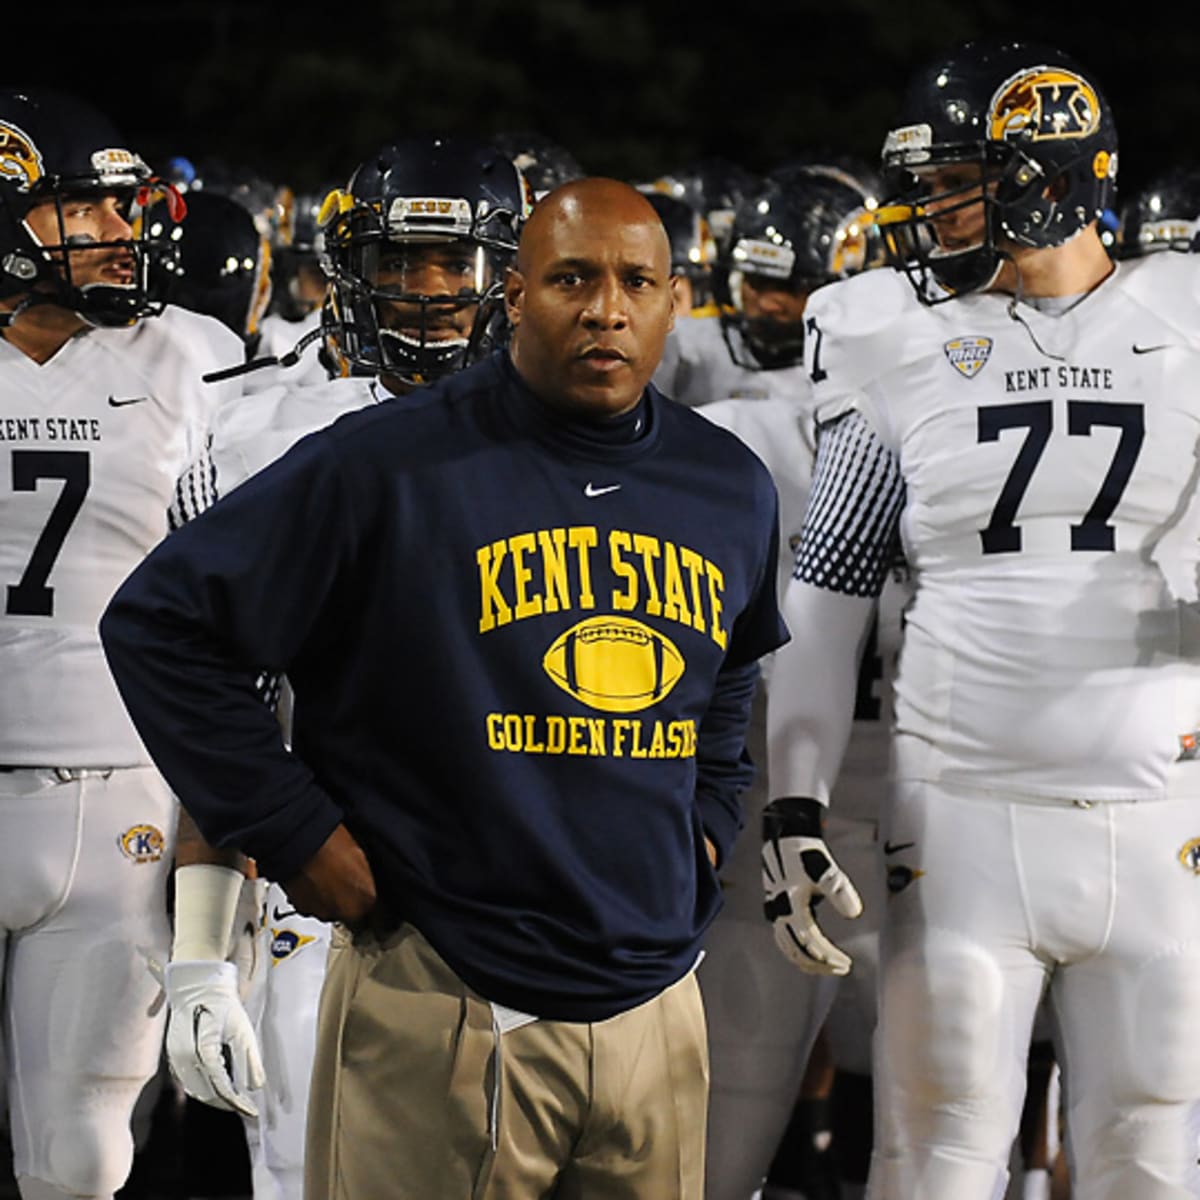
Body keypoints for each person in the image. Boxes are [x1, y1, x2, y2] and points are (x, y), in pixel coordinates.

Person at [100, 176, 786, 1200]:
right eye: (571, 279)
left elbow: (728, 678)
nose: (606, 309)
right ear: (512, 296)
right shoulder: (384, 464)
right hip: (440, 985)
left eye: (635, 282)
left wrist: (708, 822)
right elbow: (160, 625)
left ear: (674, 300)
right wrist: (290, 828)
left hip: (655, 997)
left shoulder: (727, 479)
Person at [763, 37, 1200, 1200]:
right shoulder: (896, 345)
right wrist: (793, 794)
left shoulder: (1189, 321)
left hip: (1162, 810)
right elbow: (829, 583)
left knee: (1154, 1152)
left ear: (1045, 175)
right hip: (959, 815)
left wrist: (1158, 663)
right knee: (936, 1153)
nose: (932, 208)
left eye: (959, 180)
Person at [157, 133, 532, 1200]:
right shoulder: (253, 440)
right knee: (307, 1178)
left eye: (448, 265)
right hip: (331, 886)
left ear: (504, 272)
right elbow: (221, 717)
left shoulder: (585, 430)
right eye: (396, 264)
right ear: (349, 269)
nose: (421, 293)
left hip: (529, 880)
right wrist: (199, 952)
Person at [0, 87, 243, 1200]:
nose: (115, 233)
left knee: (82, 1158)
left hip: (122, 791)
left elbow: (221, 619)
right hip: (87, 784)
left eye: (117, 207)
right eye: (79, 210)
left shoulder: (189, 357)